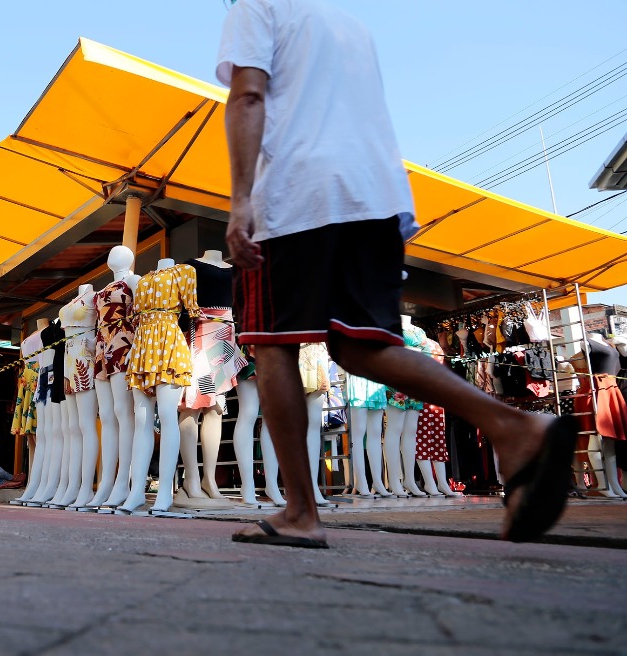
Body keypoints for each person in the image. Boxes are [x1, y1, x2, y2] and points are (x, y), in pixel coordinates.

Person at [218, 0, 578, 547]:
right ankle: (514, 426)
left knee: (271, 343)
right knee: (362, 345)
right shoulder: (349, 24)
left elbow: (248, 95)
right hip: (376, 191)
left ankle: (300, 513)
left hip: (300, 193)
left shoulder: (257, 6)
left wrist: (240, 197)